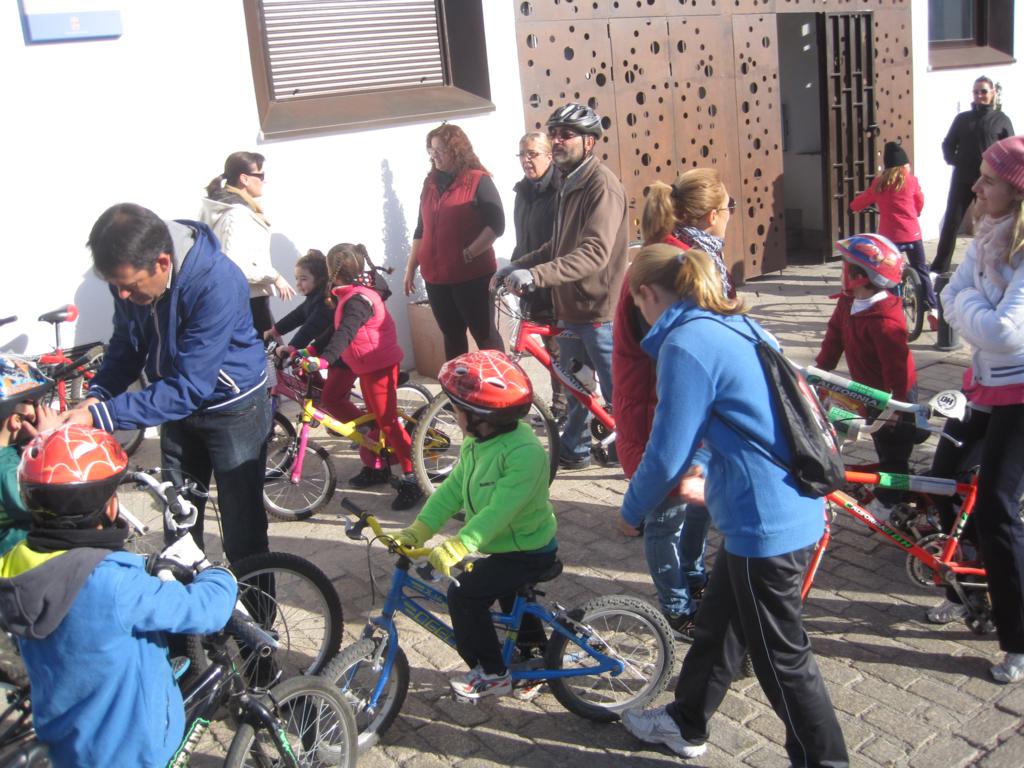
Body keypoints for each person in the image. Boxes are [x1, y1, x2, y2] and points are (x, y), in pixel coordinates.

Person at [618, 243, 848, 765]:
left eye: (636, 304)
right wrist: (704, 462)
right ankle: (685, 721)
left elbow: (665, 454)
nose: (638, 314)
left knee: (782, 660)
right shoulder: (737, 324)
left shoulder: (685, 344)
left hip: (766, 525)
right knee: (719, 624)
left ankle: (826, 760)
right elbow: (737, 417)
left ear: (647, 294)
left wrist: (631, 512)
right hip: (782, 508)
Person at [0, 424, 237, 768]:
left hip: (66, 742)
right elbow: (202, 611)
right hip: (133, 749)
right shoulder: (112, 583)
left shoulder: (15, 565)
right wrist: (220, 577)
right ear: (110, 508)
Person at [67, 202, 272, 565]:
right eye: (116, 287)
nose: (123, 296)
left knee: (243, 532)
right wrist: (96, 396)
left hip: (233, 406)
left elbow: (190, 386)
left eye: (129, 286)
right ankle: (185, 599)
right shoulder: (130, 278)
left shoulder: (216, 281)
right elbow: (127, 345)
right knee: (178, 524)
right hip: (175, 405)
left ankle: (257, 602)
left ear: (163, 263)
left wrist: (102, 416)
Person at [387, 350, 557, 699]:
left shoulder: (524, 453)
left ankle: (492, 672)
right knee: (510, 598)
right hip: (505, 546)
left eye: (457, 408)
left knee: (464, 594)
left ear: (482, 417)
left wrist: (459, 545)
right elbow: (451, 491)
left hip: (528, 549)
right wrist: (419, 530)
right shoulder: (477, 442)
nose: (453, 413)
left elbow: (499, 512)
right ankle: (533, 655)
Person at [613, 171, 736, 636]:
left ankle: (695, 578)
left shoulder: (696, 257)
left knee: (697, 501)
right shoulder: (668, 267)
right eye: (728, 209)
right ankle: (677, 606)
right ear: (712, 215)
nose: (729, 218)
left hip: (691, 409)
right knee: (665, 517)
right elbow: (675, 354)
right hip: (658, 409)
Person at [925, 136, 1024, 684]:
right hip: (983, 383)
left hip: (1020, 393)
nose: (975, 186)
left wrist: (965, 304)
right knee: (941, 483)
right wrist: (972, 306)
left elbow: (1005, 333)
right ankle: (967, 591)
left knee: (997, 511)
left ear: (1017, 192)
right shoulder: (987, 235)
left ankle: (1018, 639)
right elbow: (947, 293)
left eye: (988, 179)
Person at [495, 103, 628, 470]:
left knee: (620, 398)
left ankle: (641, 460)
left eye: (566, 135)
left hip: (598, 309)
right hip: (570, 306)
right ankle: (575, 446)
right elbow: (559, 245)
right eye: (553, 134)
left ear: (589, 142)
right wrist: (518, 264)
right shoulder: (570, 182)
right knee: (576, 386)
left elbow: (594, 252)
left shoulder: (601, 186)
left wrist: (537, 276)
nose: (557, 141)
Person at [312, 243, 422, 511]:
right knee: (375, 420)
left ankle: (414, 479)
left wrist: (325, 360)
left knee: (388, 423)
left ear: (332, 271)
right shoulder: (352, 294)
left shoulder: (359, 299)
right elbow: (337, 328)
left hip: (378, 365)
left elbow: (346, 332)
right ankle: (379, 464)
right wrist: (311, 349)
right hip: (367, 366)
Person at [815, 234, 917, 518]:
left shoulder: (885, 321)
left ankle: (890, 499)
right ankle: (894, 487)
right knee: (882, 445)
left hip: (895, 396)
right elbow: (834, 338)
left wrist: (897, 406)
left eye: (845, 267)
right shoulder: (848, 303)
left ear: (860, 276)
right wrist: (819, 372)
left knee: (893, 452)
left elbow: (900, 368)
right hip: (870, 393)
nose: (841, 272)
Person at [403, 124, 505, 360]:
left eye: (440, 150)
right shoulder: (429, 183)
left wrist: (470, 252)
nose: (434, 155)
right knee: (452, 336)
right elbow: (421, 228)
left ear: (456, 150)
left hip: (472, 277)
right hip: (436, 278)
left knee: (484, 336)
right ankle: (458, 382)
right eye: (431, 150)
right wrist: (411, 268)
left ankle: (502, 380)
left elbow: (496, 224)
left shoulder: (478, 180)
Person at [201, 151, 295, 336]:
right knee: (263, 349)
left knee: (266, 346)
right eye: (261, 175)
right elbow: (235, 266)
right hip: (247, 302)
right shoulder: (237, 214)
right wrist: (275, 277)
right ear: (244, 179)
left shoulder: (227, 210)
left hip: (241, 299)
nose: (264, 181)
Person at [510, 130, 566, 421]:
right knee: (548, 348)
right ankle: (561, 408)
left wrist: (534, 271)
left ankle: (563, 409)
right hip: (529, 280)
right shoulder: (523, 191)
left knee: (558, 350)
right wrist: (513, 266)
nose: (526, 160)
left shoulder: (560, 190)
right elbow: (523, 238)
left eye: (532, 154)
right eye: (522, 154)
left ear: (549, 155)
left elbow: (559, 243)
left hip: (553, 281)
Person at [851, 141, 938, 327]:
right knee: (921, 269)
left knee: (887, 274)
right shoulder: (911, 180)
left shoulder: (879, 183)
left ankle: (890, 310)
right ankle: (933, 308)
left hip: (889, 238)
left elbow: (862, 201)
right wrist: (916, 212)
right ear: (904, 164)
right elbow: (919, 201)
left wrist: (854, 207)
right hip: (912, 233)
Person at [932, 77, 1015, 274]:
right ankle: (939, 267)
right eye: (976, 92)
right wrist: (956, 161)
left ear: (992, 93)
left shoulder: (1001, 120)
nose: (979, 95)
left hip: (989, 182)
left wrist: (1001, 176)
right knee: (952, 222)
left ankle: (992, 265)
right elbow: (948, 144)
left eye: (983, 91)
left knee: (992, 223)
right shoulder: (962, 119)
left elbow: (1010, 150)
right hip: (962, 178)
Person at [0, 356, 60, 556]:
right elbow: (50, 507)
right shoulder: (8, 470)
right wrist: (49, 443)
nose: (39, 409)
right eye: (33, 403)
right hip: (17, 558)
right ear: (16, 421)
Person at [265, 248, 335, 357]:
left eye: (303, 279)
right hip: (327, 350)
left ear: (319, 279)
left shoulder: (325, 302)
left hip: (337, 354)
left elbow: (311, 328)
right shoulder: (313, 298)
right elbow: (297, 316)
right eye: (296, 278)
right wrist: (275, 330)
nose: (298, 283)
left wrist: (292, 347)